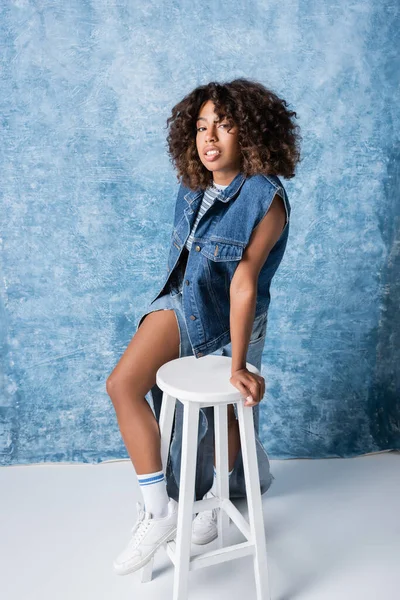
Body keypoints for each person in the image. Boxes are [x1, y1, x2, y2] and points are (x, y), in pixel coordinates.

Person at [107, 78, 301, 576]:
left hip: (235, 320)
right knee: (124, 384)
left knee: (227, 425)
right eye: (201, 127)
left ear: (252, 135)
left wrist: (237, 364)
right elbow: (186, 266)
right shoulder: (193, 183)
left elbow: (243, 285)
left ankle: (224, 489)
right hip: (184, 304)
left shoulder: (265, 199)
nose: (210, 138)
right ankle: (160, 513)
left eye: (225, 126)